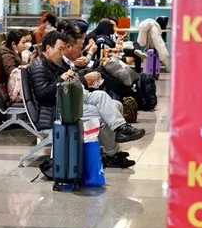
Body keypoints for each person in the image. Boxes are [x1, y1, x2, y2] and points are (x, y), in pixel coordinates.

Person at [29, 31, 145, 168]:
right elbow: (43, 94)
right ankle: (113, 153)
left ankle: (120, 129)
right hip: (57, 110)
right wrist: (62, 79)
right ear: (48, 48)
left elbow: (68, 80)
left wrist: (74, 78)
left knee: (114, 104)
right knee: (104, 115)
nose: (62, 53)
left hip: (69, 100)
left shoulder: (53, 63)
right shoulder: (39, 66)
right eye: (60, 49)